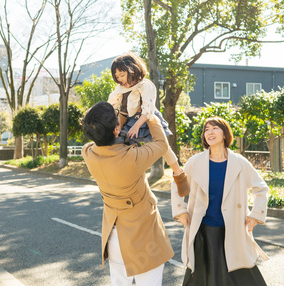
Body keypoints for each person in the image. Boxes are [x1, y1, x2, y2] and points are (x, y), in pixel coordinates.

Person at [82, 101, 174, 286]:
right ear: (116, 129)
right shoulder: (132, 158)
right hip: (142, 236)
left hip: (114, 235)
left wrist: (118, 116)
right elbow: (161, 144)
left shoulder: (88, 153)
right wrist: (150, 114)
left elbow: (109, 134)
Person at [171, 116, 269, 286]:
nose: (210, 132)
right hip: (203, 231)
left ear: (224, 134)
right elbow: (177, 184)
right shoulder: (195, 162)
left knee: (242, 275)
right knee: (201, 278)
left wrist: (255, 215)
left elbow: (261, 188)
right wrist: (181, 210)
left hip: (233, 228)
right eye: (206, 129)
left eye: (215, 128)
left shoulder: (239, 162)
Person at [107, 52, 189, 197]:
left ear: (133, 69)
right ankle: (126, 179)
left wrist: (137, 125)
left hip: (147, 118)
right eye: (117, 76)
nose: (120, 79)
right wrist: (114, 123)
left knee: (163, 146)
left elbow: (148, 109)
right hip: (128, 118)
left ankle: (179, 175)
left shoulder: (145, 85)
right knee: (121, 144)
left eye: (122, 74)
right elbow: (113, 105)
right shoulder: (120, 88)